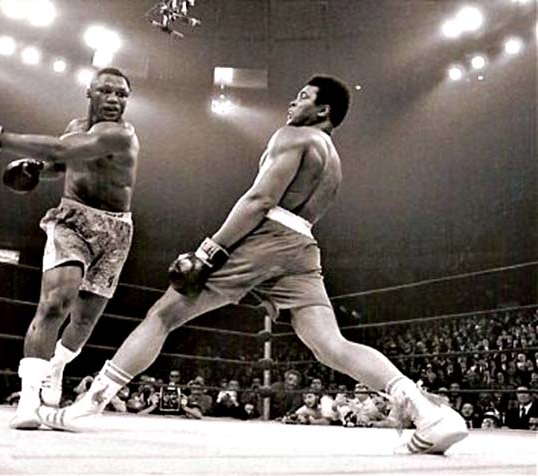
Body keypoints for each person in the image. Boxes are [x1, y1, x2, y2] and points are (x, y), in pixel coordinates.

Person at [37, 75, 467, 454]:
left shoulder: (292, 136)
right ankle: (430, 414)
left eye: (303, 97)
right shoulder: (333, 158)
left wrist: (210, 250)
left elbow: (260, 199)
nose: (293, 102)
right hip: (302, 246)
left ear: (323, 110)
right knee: (330, 345)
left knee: (164, 314)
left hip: (266, 237)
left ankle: (86, 406)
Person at [0, 67, 139, 429]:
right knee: (54, 304)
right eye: (106, 91)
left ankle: (55, 368)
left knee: (83, 321)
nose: (113, 99)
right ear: (89, 93)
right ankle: (28, 402)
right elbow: (59, 162)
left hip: (115, 232)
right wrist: (36, 168)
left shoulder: (120, 134)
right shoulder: (76, 126)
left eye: (121, 94)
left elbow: (62, 148)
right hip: (72, 220)